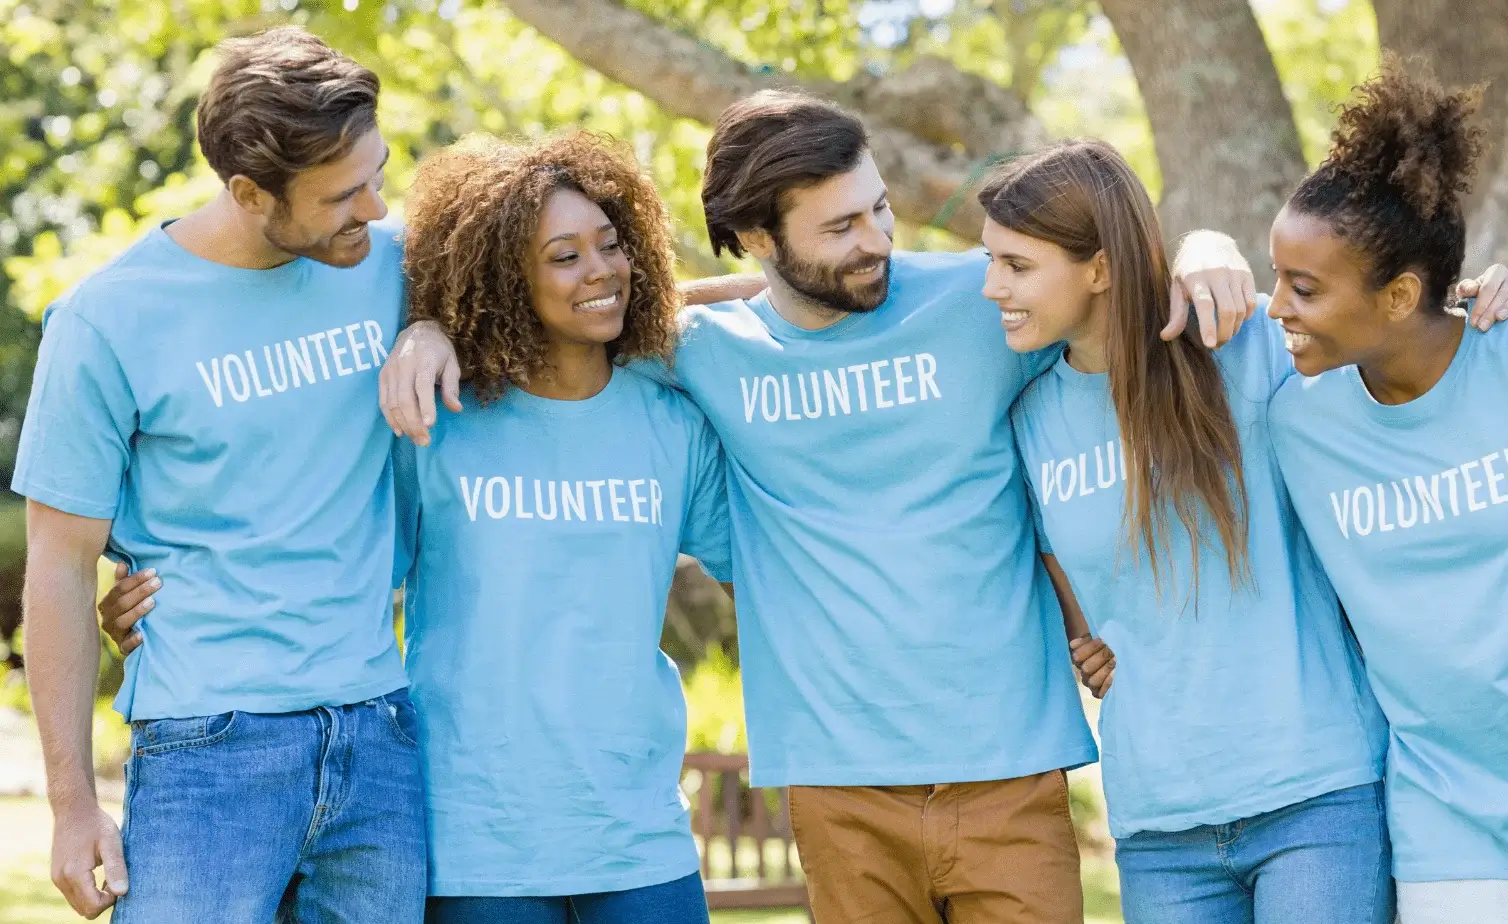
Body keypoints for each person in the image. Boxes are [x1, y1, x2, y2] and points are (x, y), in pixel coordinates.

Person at [379, 89, 1260, 923]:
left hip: (1010, 764)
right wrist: (431, 327)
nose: (877, 239)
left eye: (877, 208)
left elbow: (1109, 299)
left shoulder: (982, 301)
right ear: (757, 236)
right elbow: (564, 309)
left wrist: (1200, 246)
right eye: (840, 226)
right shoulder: (698, 356)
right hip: (837, 782)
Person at [981, 136, 1508, 921]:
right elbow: (1071, 575)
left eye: (1014, 264)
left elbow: (1391, 347)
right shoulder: (1031, 417)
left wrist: (1483, 296)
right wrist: (1095, 638)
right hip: (1158, 821)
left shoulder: (1245, 347)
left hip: (1316, 796)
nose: (989, 286)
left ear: (1100, 268)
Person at [15, 27, 425, 923]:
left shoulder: (393, 263)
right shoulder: (106, 322)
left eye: (378, 175)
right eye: (342, 195)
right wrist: (74, 806)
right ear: (248, 192)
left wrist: (432, 324)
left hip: (380, 730)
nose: (374, 207)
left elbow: (604, 302)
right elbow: (56, 563)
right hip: (210, 745)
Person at [1265, 65, 1508, 924]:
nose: (1276, 306)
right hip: (1445, 828)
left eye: (1304, 288)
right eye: (1275, 275)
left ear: (1399, 295)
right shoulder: (1297, 418)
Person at [394, 131, 731, 922]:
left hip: (637, 831)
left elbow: (767, 575)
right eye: (565, 256)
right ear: (508, 277)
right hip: (476, 841)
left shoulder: (673, 425)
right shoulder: (436, 422)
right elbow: (339, 577)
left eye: (611, 245)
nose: (601, 271)